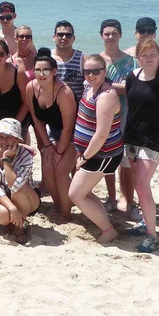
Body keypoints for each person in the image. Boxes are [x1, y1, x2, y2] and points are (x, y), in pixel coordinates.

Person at [124, 39, 159, 253]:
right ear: (138, 57)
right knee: (140, 184)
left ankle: (153, 235)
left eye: (152, 55)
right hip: (132, 137)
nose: (149, 59)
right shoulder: (132, 77)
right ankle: (146, 223)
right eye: (144, 55)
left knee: (141, 184)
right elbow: (132, 106)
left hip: (153, 140)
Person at [67, 54, 122, 244]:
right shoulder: (90, 88)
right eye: (87, 71)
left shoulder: (106, 96)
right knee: (84, 192)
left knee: (75, 194)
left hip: (102, 153)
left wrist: (85, 157)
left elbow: (101, 134)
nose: (90, 75)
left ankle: (108, 230)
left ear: (104, 72)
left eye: (95, 71)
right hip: (90, 152)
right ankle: (105, 223)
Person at [27, 48, 77, 219]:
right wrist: (48, 146)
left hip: (74, 137)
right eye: (38, 70)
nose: (41, 74)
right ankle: (58, 204)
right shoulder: (31, 87)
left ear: (54, 71)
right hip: (53, 135)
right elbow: (36, 117)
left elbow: (69, 128)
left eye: (46, 70)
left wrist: (60, 151)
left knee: (61, 171)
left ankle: (67, 212)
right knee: (47, 168)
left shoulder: (64, 92)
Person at [99, 18, 136, 214]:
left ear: (120, 35)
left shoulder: (130, 60)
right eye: (107, 33)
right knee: (107, 159)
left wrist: (107, 86)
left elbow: (133, 88)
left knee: (127, 161)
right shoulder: (96, 60)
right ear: (101, 36)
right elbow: (92, 87)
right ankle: (111, 198)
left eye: (114, 33)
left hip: (126, 116)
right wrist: (118, 88)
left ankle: (129, 201)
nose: (111, 37)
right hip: (103, 117)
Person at [0, 118, 39, 243]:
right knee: (3, 217)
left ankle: (18, 227)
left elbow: (15, 186)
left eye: (9, 137)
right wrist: (12, 209)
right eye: (1, 136)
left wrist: (6, 160)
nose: (4, 141)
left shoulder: (26, 156)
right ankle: (15, 220)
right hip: (4, 197)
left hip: (28, 198)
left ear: (17, 139)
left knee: (18, 190)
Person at [52, 20, 84, 100]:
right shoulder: (47, 57)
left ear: (73, 38)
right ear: (54, 37)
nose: (64, 38)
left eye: (68, 35)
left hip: (75, 106)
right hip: (51, 106)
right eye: (60, 34)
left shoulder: (82, 59)